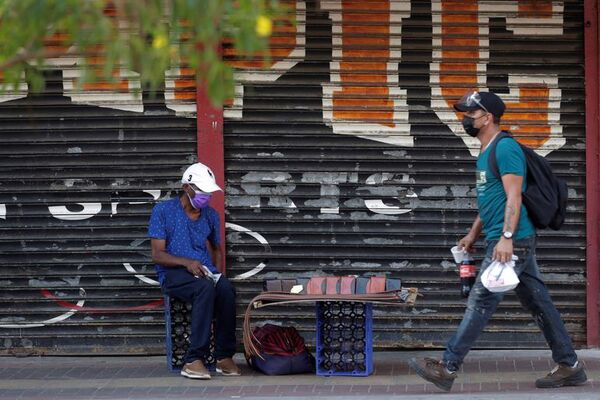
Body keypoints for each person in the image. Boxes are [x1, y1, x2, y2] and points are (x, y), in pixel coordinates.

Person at [409, 91, 587, 391]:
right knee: (539, 303)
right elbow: (493, 199)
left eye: (470, 113)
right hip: (505, 238)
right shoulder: (486, 151)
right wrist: (473, 233)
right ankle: (570, 365)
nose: (465, 119)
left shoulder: (505, 149)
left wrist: (505, 237)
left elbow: (514, 197)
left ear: (487, 117)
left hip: (512, 241)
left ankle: (448, 367)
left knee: (481, 301)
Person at [148, 162, 240, 380]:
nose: (205, 196)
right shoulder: (163, 211)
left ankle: (224, 356)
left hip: (203, 271)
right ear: (186, 187)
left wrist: (216, 272)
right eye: (201, 190)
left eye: (208, 192)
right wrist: (186, 263)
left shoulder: (210, 215)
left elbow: (216, 248)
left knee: (226, 289)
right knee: (204, 289)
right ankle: (193, 359)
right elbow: (157, 254)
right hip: (173, 273)